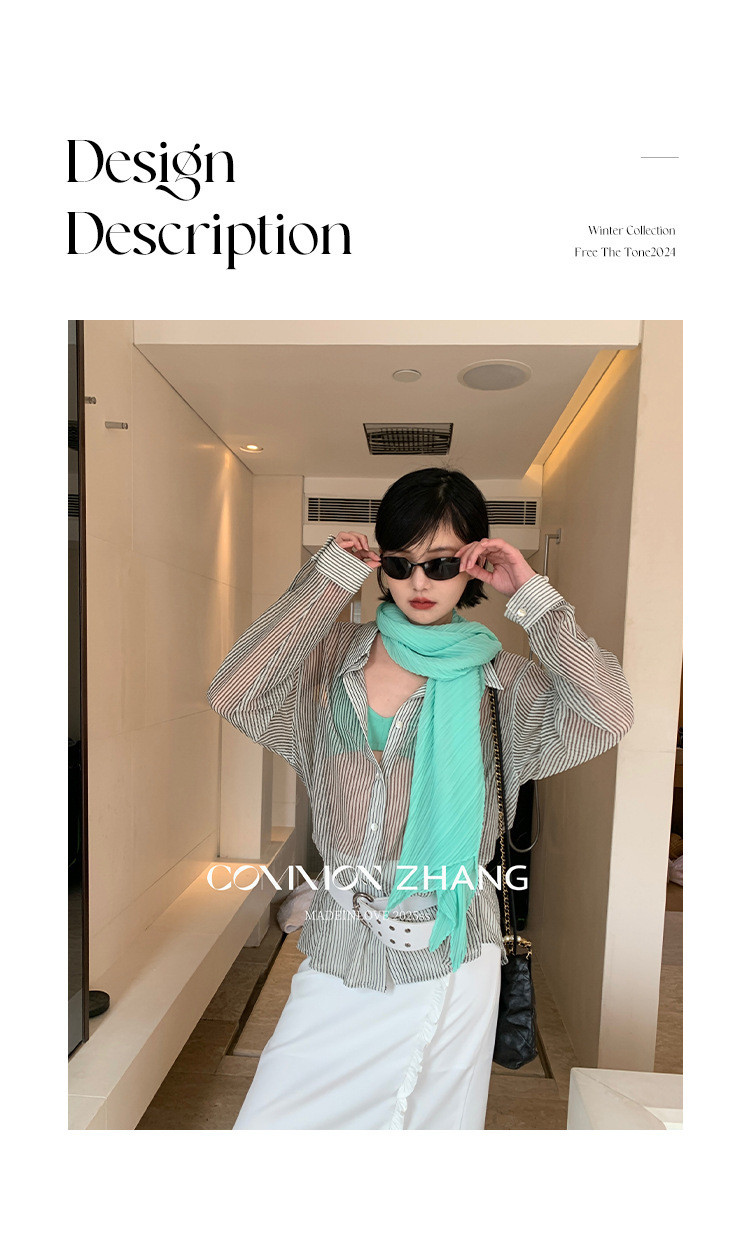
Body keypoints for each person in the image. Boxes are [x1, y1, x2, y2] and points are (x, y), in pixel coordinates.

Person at [206, 467, 634, 1129]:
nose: (419, 583)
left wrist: (533, 595)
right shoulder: (331, 664)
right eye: (401, 564)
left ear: (473, 564)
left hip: (451, 953)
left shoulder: (501, 684)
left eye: (440, 563)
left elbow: (609, 713)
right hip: (342, 947)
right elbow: (234, 691)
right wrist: (326, 583)